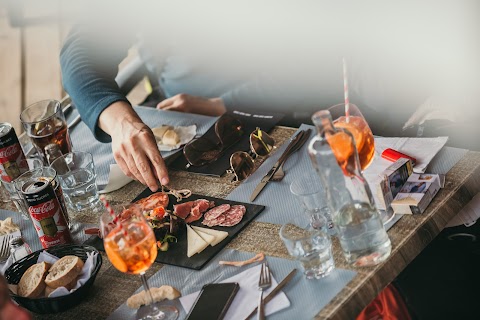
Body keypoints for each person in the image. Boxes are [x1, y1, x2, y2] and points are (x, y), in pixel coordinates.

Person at [60, 1, 480, 191]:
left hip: (293, 117)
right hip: (195, 134)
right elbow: (81, 51)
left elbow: (322, 60)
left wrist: (229, 103)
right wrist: (120, 121)